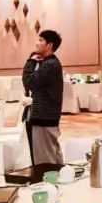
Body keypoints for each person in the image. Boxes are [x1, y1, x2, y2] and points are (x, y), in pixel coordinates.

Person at [22, 30, 64, 168]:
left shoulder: (50, 64)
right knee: (52, 157)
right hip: (45, 116)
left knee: (45, 162)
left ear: (49, 45)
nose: (36, 43)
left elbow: (29, 82)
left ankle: (51, 181)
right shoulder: (48, 63)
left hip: (44, 118)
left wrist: (30, 61)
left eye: (41, 40)